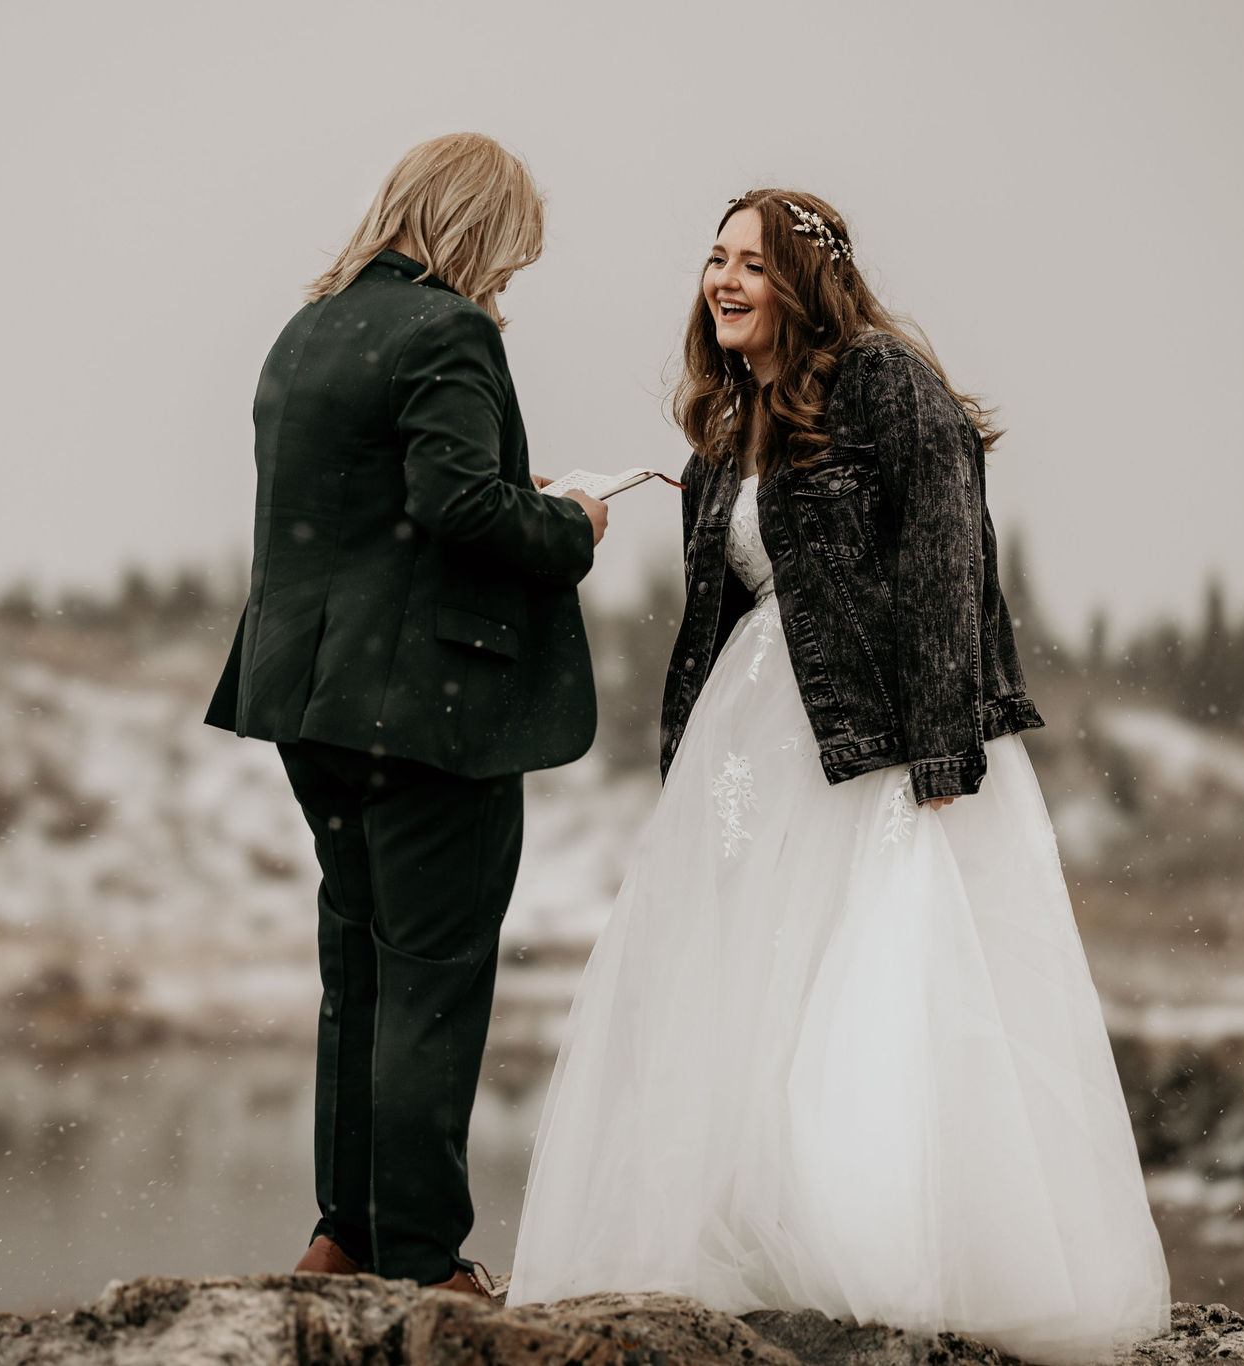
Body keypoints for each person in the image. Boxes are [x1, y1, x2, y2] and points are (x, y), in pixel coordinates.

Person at [506, 190, 1170, 1363]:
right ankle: (750, 1241)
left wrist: (940, 743)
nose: (721, 281)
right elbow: (717, 614)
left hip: (874, 736)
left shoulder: (885, 384)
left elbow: (944, 552)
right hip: (746, 745)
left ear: (803, 284)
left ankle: (891, 1247)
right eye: (713, 260)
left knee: (881, 971)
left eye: (749, 264)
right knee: (740, 984)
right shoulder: (720, 425)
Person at [205, 133, 610, 1297]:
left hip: (306, 701)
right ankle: (427, 1266)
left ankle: (343, 1233)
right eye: (508, 258)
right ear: (475, 228)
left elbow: (369, 506)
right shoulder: (448, 331)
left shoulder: (310, 327)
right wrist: (569, 522)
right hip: (428, 716)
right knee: (432, 981)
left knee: (362, 976)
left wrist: (487, 497)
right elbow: (449, 503)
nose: (504, 285)